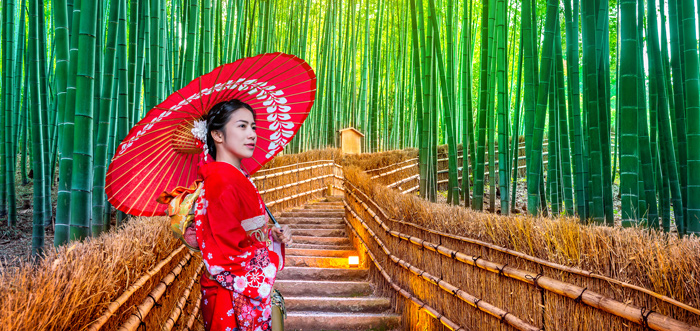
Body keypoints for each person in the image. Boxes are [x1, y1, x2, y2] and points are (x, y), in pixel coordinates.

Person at [194, 99, 293, 331]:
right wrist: (268, 253)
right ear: (217, 135)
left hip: (242, 285)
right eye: (242, 126)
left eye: (253, 127)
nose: (252, 134)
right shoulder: (220, 181)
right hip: (231, 292)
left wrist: (272, 235)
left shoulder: (238, 178)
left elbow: (245, 233)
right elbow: (225, 252)